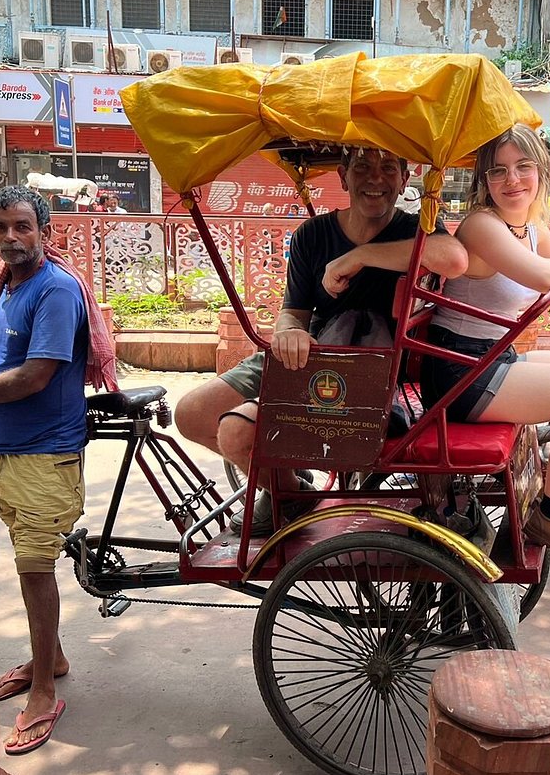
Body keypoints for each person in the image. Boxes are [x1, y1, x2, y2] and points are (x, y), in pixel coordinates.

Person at [174, 147, 468, 536]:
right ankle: (293, 490)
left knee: (237, 432)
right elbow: (293, 311)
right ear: (343, 177)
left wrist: (360, 256)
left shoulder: (414, 230)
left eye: (387, 168)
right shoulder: (312, 235)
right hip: (311, 346)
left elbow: (452, 257)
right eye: (362, 167)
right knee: (191, 413)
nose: (375, 178)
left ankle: (284, 486)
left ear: (403, 177)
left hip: (368, 365)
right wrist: (289, 332)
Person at [0, 185, 117, 756]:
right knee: (28, 561)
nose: (12, 237)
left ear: (45, 233)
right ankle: (50, 656)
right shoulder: (4, 288)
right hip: (8, 447)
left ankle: (41, 691)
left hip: (44, 452)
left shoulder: (54, 290)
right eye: (2, 227)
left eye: (23, 227)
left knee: (35, 571)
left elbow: (35, 376)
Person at [420, 123, 550, 574]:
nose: (513, 181)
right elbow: (543, 274)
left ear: (540, 172)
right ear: (484, 182)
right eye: (498, 172)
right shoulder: (482, 226)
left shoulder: (525, 224)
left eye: (523, 167)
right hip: (461, 372)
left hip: (491, 356)